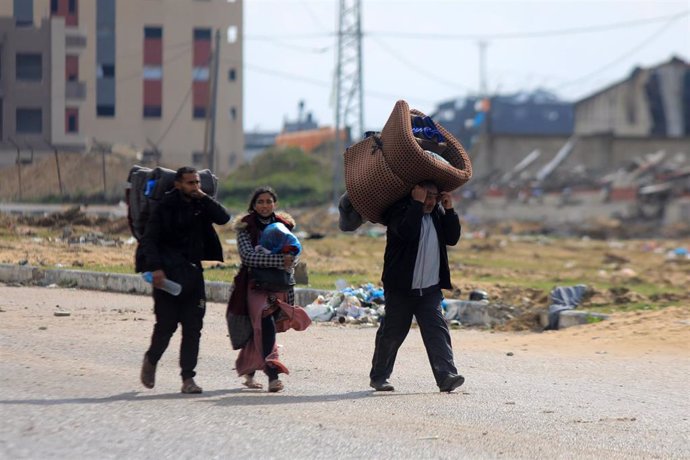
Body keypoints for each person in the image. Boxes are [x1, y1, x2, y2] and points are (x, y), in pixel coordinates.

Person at [138, 166, 230, 394]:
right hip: (167, 276)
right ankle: (151, 360)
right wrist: (156, 269)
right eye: (190, 183)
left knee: (193, 328)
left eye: (197, 182)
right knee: (166, 326)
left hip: (193, 275)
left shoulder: (201, 205)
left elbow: (224, 218)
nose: (195, 187)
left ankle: (188, 378)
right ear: (178, 184)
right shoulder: (163, 207)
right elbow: (149, 240)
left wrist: (205, 198)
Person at [369, 180, 465, 392]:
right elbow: (407, 232)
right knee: (393, 332)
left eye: (434, 197)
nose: (430, 201)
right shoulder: (399, 212)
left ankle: (446, 375)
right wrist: (416, 204)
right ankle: (379, 376)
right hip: (401, 288)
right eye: (426, 196)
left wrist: (449, 210)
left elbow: (453, 238)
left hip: (429, 289)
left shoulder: (438, 214)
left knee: (437, 330)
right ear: (415, 193)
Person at [228, 186, 302, 392]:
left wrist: (290, 260)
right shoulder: (245, 227)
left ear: (274, 204)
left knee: (257, 330)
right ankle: (273, 377)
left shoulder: (284, 225)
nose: (265, 205)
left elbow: (295, 255)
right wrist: (280, 259)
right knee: (265, 323)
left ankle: (249, 373)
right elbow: (249, 257)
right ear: (253, 205)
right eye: (260, 202)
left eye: (269, 201)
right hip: (253, 285)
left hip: (278, 284)